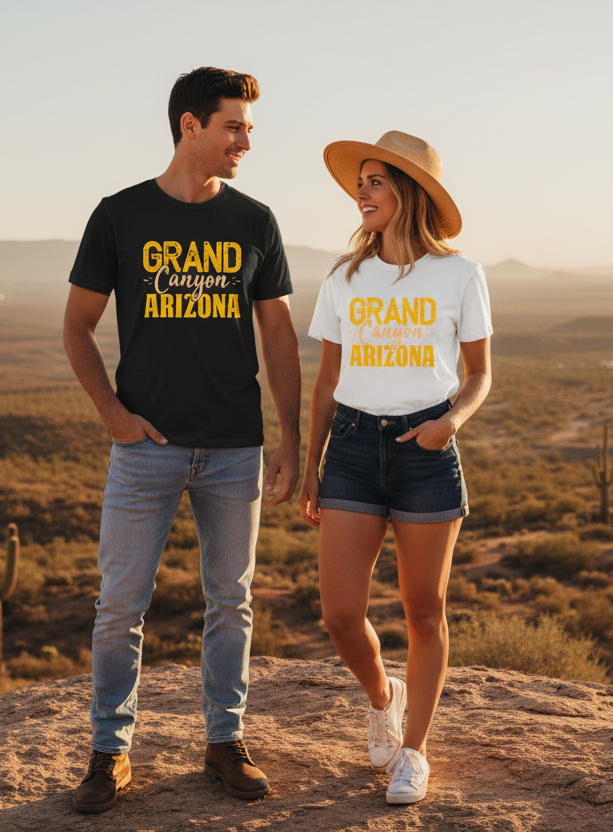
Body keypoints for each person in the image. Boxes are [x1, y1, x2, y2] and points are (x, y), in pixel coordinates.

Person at [62, 66, 300, 814]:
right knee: (119, 606)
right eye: (235, 126)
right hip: (147, 448)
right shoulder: (119, 216)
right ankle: (109, 753)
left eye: (249, 129)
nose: (247, 142)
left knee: (232, 600)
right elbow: (76, 326)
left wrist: (292, 438)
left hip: (235, 448)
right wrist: (112, 413)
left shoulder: (255, 220)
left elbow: (280, 335)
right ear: (190, 125)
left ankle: (224, 741)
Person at [299, 131, 492, 805]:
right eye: (361, 181)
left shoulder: (460, 274)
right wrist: (312, 462)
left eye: (375, 181)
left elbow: (479, 375)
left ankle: (413, 751)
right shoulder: (344, 277)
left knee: (424, 610)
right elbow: (324, 382)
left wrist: (451, 423)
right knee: (342, 614)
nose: (361, 192)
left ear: (409, 193)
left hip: (426, 448)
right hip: (351, 447)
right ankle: (384, 696)